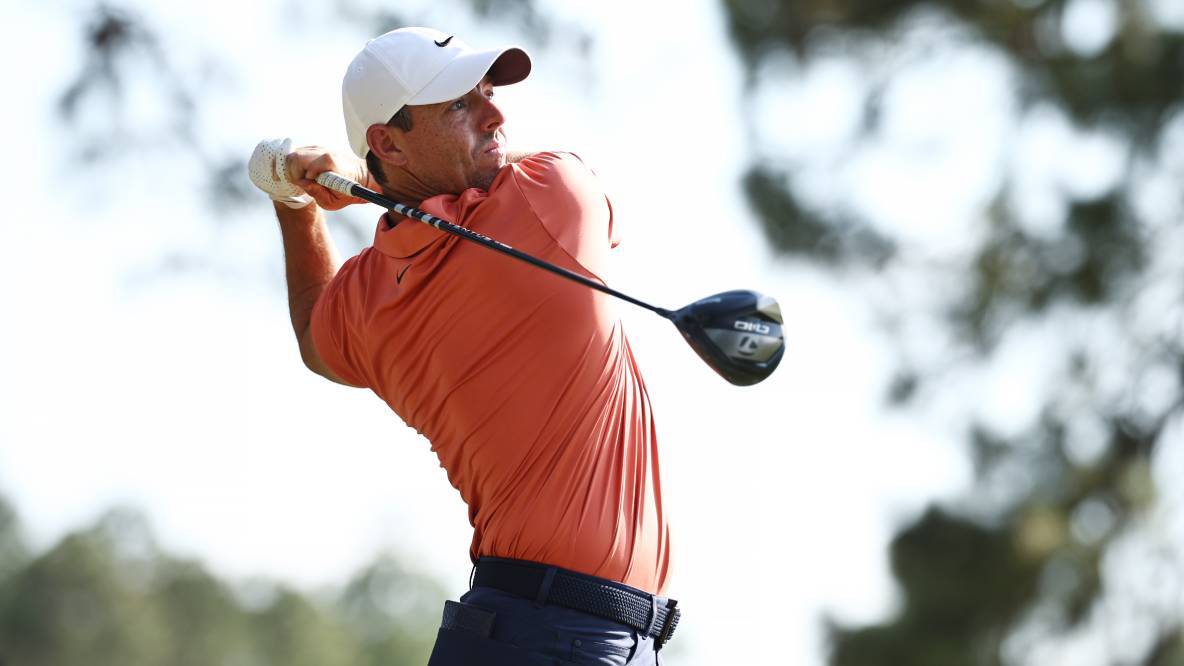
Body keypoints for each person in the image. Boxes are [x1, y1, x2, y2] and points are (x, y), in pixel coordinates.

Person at [248, 27, 678, 665]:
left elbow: (314, 335)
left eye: (487, 93)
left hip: (533, 629)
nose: (494, 114)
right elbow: (544, 170)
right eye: (458, 104)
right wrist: (358, 178)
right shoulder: (546, 198)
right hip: (555, 637)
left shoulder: (366, 302)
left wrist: (294, 201)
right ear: (387, 142)